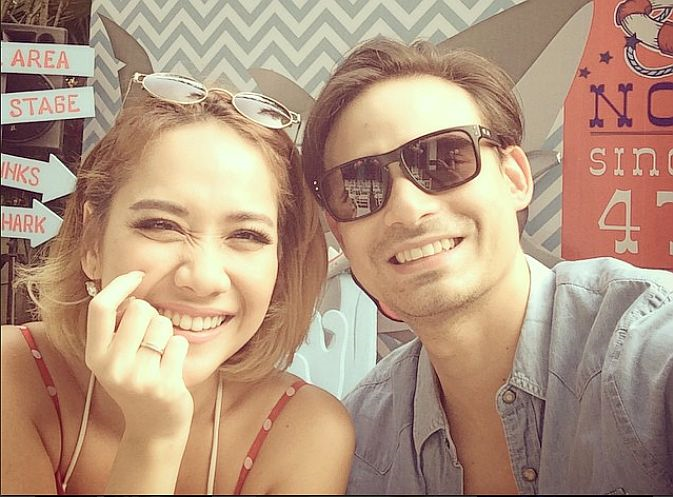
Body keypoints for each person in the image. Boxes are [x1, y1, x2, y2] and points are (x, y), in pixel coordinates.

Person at [301, 38, 673, 495]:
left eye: (444, 160)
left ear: (515, 178)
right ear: (341, 236)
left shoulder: (646, 352)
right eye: (360, 185)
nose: (407, 209)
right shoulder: (361, 447)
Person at [1, 72, 354, 495]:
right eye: (161, 225)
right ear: (93, 241)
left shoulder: (310, 432)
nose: (202, 279)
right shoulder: (12, 375)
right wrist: (153, 439)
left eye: (247, 235)